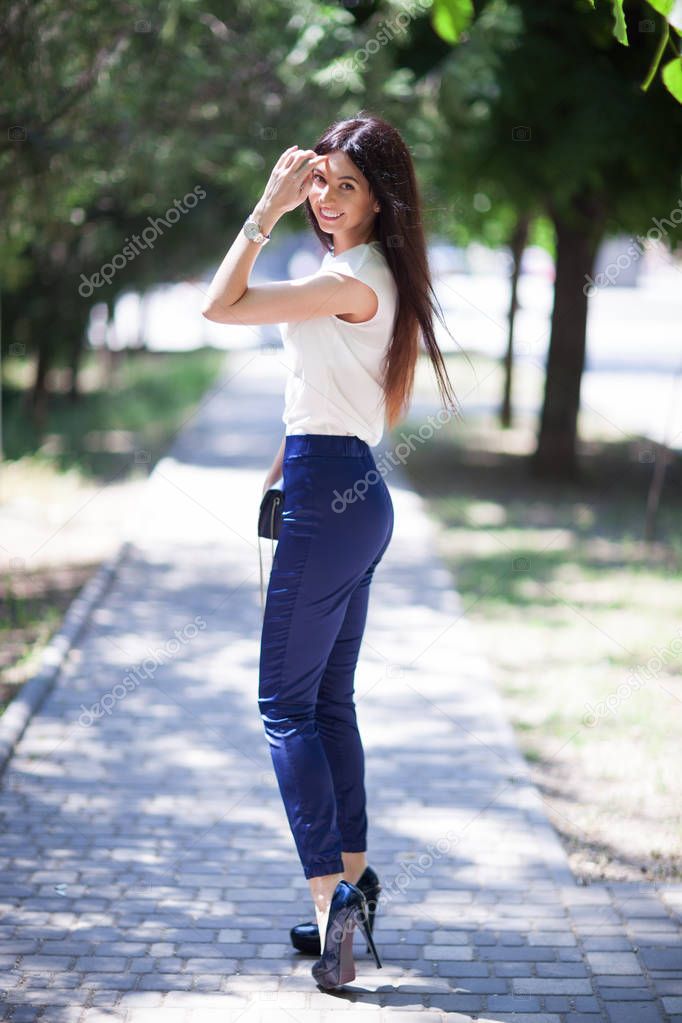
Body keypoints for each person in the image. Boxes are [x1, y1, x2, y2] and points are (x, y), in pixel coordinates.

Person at [202, 111, 461, 989]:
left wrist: (263, 209)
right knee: (331, 702)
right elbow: (325, 390)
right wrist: (284, 464)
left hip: (332, 498)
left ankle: (331, 902)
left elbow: (218, 304)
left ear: (380, 200)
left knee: (283, 704)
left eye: (344, 185)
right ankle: (350, 885)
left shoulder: (350, 275)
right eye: (317, 180)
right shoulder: (366, 274)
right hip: (346, 488)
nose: (323, 197)